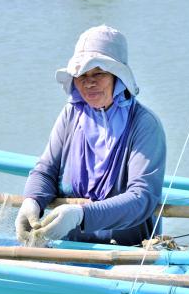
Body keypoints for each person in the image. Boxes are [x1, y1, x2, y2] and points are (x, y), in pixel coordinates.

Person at [16, 25, 166, 246]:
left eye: (99, 73)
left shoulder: (144, 125)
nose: (89, 83)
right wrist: (32, 202)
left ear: (119, 77)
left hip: (127, 254)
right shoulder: (71, 114)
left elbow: (141, 198)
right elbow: (46, 171)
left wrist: (82, 215)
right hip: (69, 247)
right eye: (81, 75)